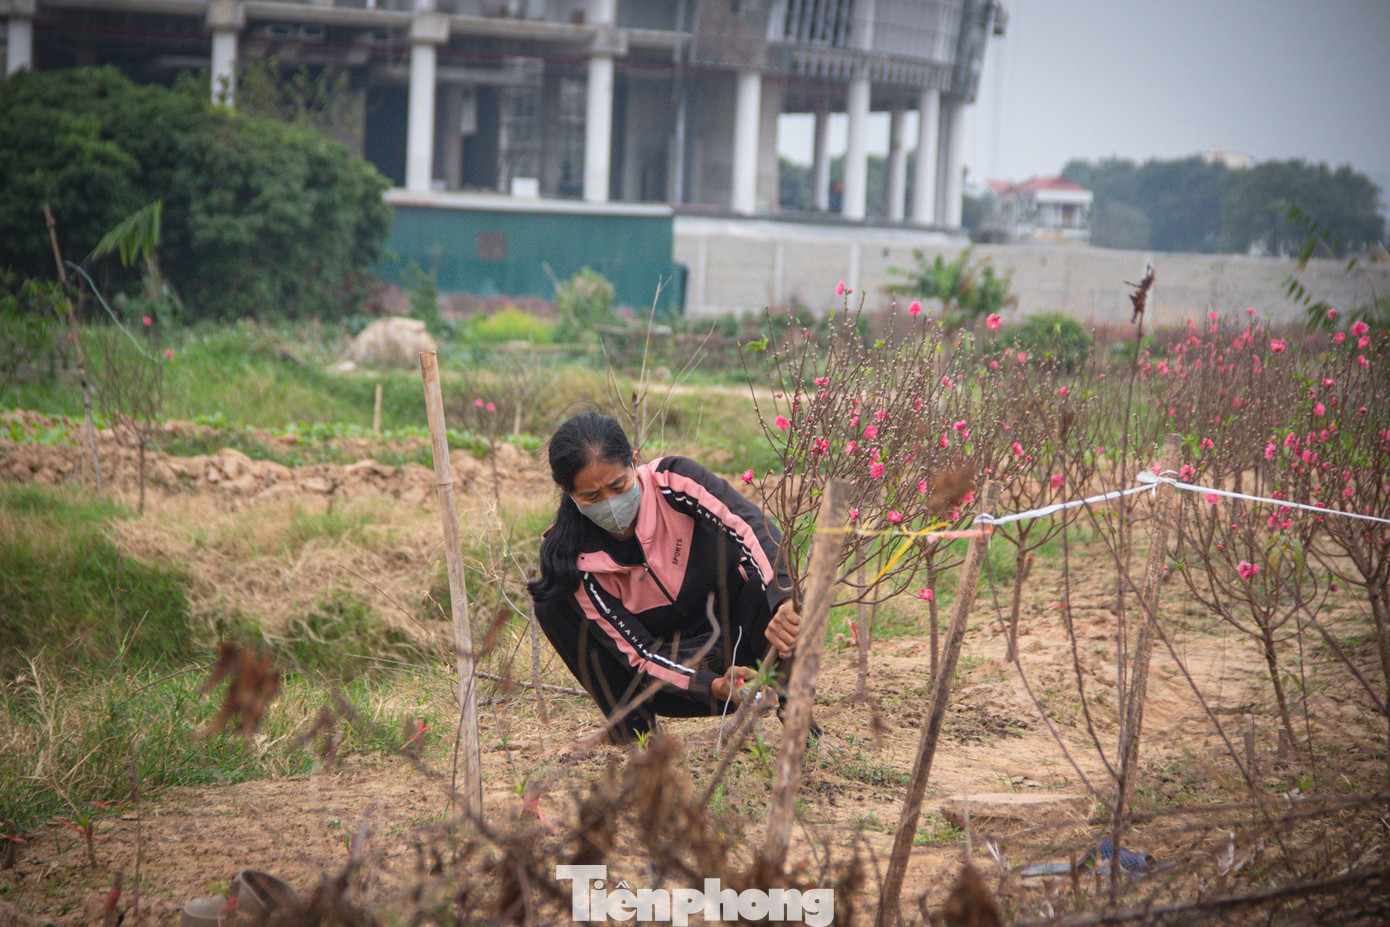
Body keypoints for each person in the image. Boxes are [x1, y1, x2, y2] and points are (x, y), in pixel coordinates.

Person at [528, 412, 803, 744]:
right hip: (678, 680)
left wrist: (783, 601)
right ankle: (634, 733)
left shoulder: (674, 482)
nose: (611, 504)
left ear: (634, 461)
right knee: (551, 601)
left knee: (778, 580)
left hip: (744, 641)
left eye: (618, 486)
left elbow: (749, 526)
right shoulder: (574, 558)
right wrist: (711, 684)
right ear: (566, 491)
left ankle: (799, 719)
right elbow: (640, 655)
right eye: (592, 497)